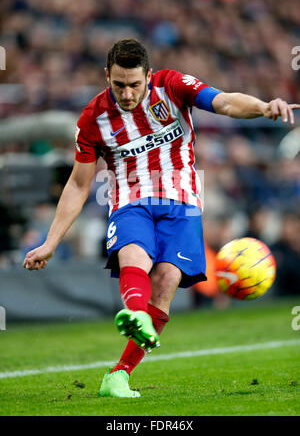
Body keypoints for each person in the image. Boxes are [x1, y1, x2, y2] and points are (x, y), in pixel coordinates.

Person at [23, 39, 299, 398]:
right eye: (118, 84)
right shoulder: (93, 118)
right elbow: (78, 184)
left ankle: (118, 375)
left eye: (134, 85)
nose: (126, 93)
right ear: (107, 75)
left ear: (148, 76)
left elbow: (226, 101)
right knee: (134, 255)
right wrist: (50, 242)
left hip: (182, 202)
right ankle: (137, 314)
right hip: (130, 200)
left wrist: (263, 107)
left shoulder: (172, 86)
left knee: (167, 279)